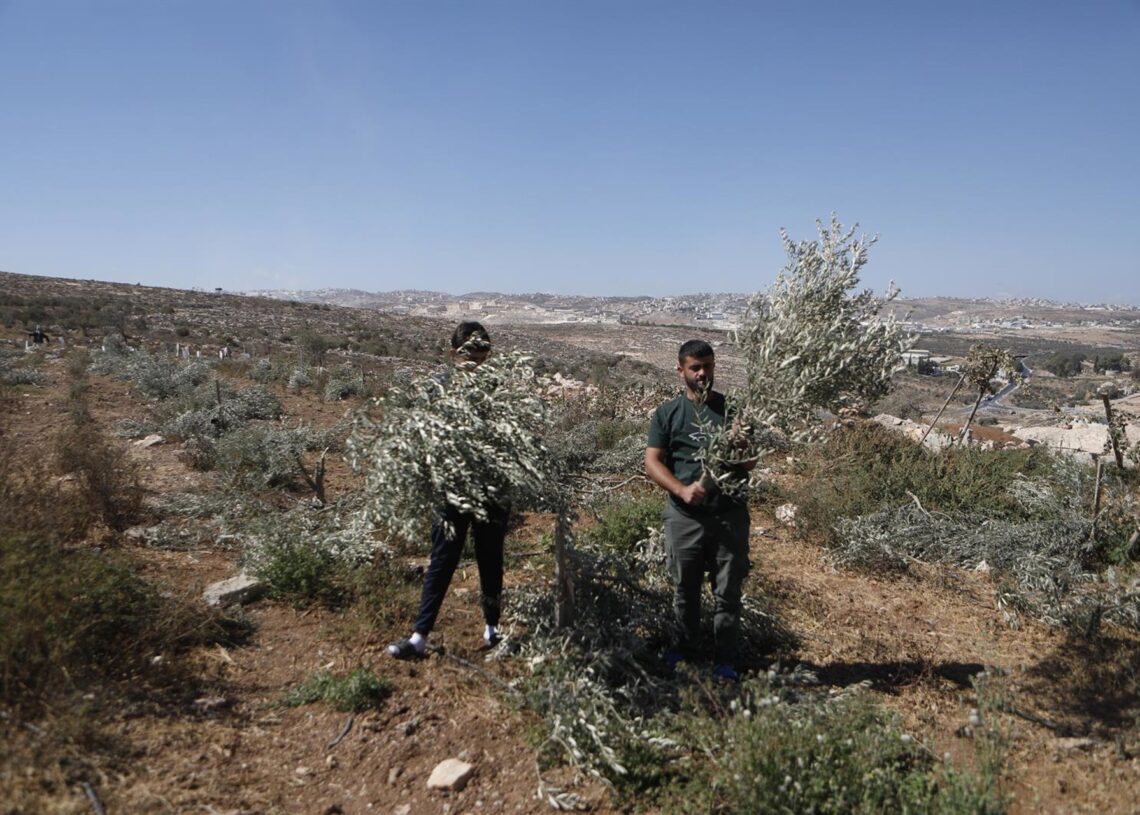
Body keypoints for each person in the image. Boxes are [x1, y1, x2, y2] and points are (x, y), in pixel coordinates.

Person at [387, 321, 508, 659]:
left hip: (491, 489)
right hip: (451, 489)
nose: (477, 364)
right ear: (453, 353)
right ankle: (419, 636)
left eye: (483, 357)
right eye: (471, 356)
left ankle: (493, 628)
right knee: (442, 559)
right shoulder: (439, 388)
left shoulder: (498, 388)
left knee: (490, 558)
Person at [645, 339, 754, 681]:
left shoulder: (733, 410)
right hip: (684, 517)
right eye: (695, 367)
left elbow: (750, 462)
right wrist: (681, 489)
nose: (702, 373)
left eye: (708, 366)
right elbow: (652, 461)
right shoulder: (668, 413)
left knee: (728, 592)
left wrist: (739, 446)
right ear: (681, 370)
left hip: (728, 516)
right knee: (685, 589)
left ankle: (725, 661)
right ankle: (686, 652)